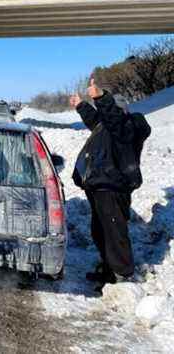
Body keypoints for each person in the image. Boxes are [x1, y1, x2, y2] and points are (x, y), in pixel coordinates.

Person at [69, 78, 151, 292]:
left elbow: (113, 119)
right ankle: (108, 270)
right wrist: (81, 104)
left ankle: (123, 276)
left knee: (115, 233)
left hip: (114, 188)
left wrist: (101, 98)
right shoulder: (107, 126)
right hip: (99, 186)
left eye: (112, 110)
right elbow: (95, 120)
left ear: (119, 111)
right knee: (100, 231)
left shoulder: (129, 127)